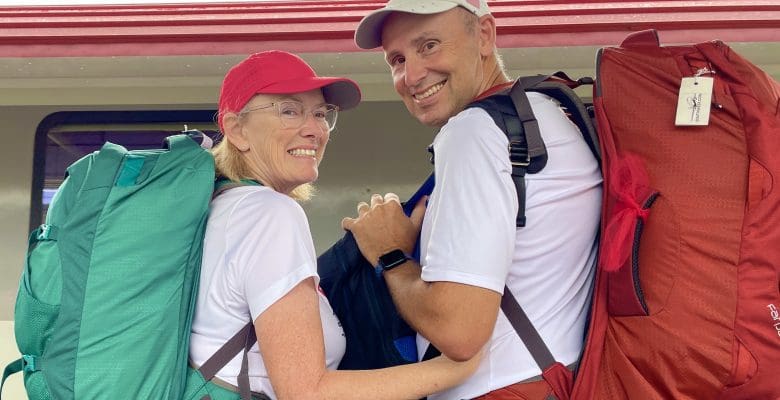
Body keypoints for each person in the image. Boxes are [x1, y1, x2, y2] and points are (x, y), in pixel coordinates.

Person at [342, 1, 603, 399]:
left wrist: (391, 256)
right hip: (554, 378)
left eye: (428, 45)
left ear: (484, 35)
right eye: (396, 59)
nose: (411, 75)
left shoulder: (476, 132)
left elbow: (459, 332)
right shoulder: (545, 111)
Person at [187, 50, 480, 400]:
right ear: (236, 129)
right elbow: (308, 392)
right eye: (290, 111)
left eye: (321, 114)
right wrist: (458, 364)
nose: (314, 129)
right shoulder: (268, 213)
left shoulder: (215, 207)